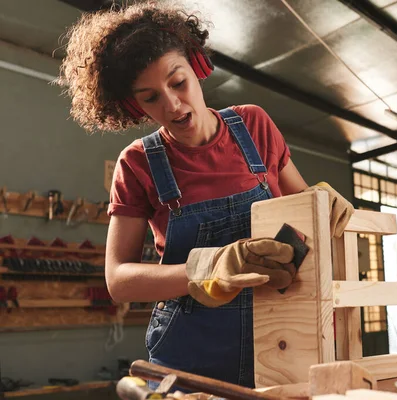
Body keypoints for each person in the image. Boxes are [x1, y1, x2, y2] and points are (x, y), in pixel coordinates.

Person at [58, 1, 354, 390]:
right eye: (150, 98)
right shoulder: (137, 163)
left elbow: (303, 211)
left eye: (177, 82)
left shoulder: (254, 126)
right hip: (189, 357)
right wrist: (208, 268)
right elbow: (119, 280)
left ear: (197, 67)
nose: (173, 105)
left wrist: (323, 202)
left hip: (282, 339)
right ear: (134, 104)